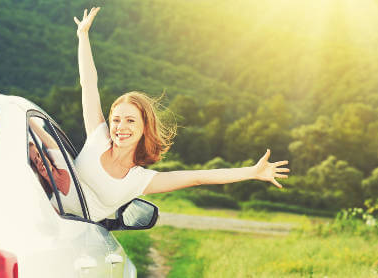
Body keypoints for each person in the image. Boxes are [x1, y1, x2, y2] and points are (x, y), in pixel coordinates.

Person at [71, 7, 290, 221]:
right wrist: (83, 36)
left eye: (130, 120)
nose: (121, 127)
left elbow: (198, 178)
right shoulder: (98, 137)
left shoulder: (140, 180)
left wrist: (251, 172)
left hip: (72, 236)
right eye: (116, 120)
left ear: (144, 127)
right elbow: (89, 84)